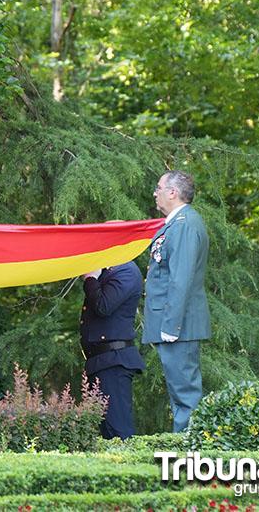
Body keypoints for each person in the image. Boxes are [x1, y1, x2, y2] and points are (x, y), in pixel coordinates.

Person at [143, 170, 211, 432]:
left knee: (185, 395)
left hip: (177, 326)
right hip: (175, 324)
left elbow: (180, 279)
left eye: (159, 187)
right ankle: (184, 452)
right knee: (180, 393)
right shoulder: (178, 223)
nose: (155, 192)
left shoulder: (183, 224)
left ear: (172, 192)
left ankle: (189, 457)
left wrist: (171, 326)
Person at [79, 261, 147, 439]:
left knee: (118, 432)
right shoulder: (109, 268)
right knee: (107, 432)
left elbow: (104, 306)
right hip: (101, 361)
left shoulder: (126, 271)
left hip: (113, 361)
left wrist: (90, 279)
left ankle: (127, 467)